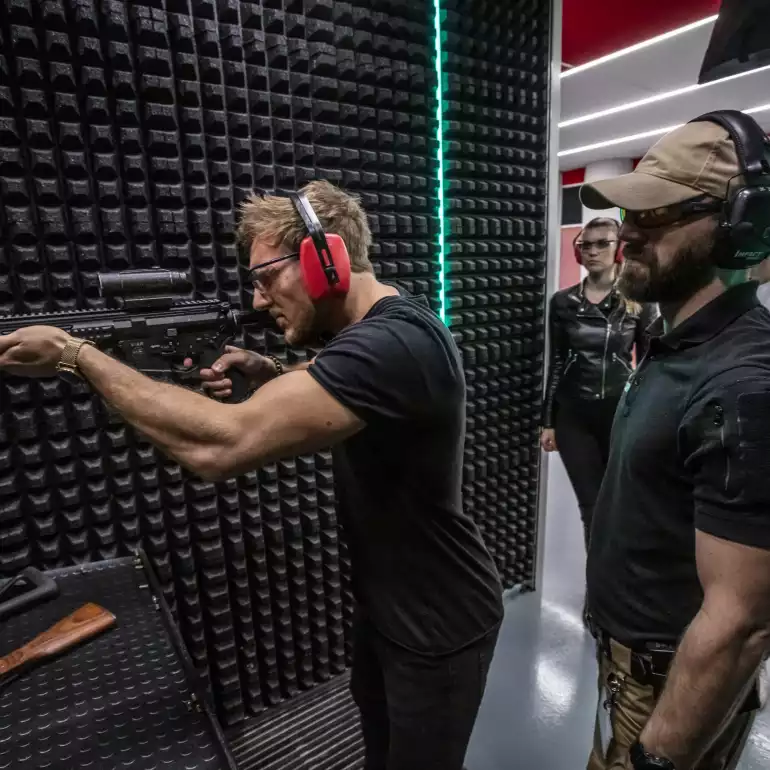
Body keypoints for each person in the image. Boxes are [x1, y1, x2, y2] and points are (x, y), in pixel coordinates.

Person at [0, 180, 503, 770]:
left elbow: (221, 446)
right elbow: (333, 375)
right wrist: (269, 374)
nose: (259, 300)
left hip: (441, 623)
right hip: (390, 606)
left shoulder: (396, 344)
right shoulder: (383, 320)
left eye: (266, 277)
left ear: (327, 261)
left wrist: (76, 355)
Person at [580, 110, 770, 770]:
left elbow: (742, 622)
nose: (627, 235)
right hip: (632, 669)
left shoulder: (742, 382)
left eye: (654, 217)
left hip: (665, 690)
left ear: (737, 228)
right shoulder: (677, 341)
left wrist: (656, 757)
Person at [541, 218, 657, 550]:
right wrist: (547, 420)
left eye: (601, 243)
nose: (592, 251)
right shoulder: (562, 303)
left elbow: (648, 363)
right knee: (590, 508)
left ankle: (617, 580)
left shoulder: (638, 302)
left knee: (619, 506)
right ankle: (596, 595)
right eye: (585, 245)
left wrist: (644, 418)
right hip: (573, 416)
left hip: (617, 414)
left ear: (618, 248)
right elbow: (557, 361)